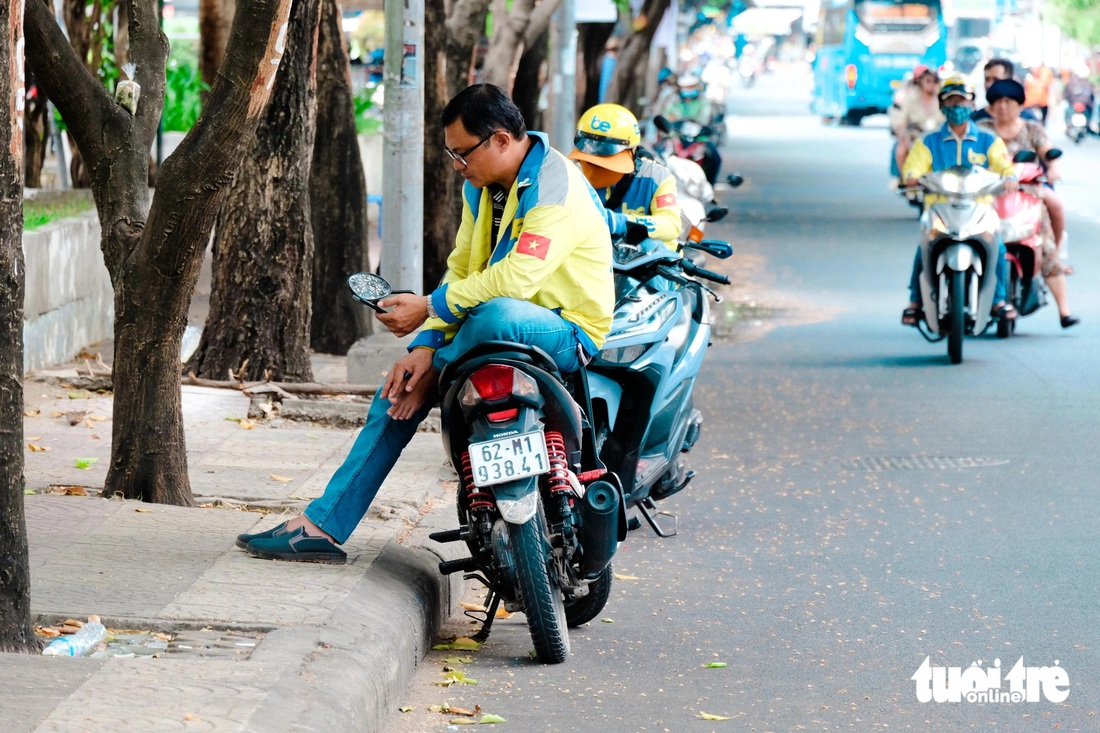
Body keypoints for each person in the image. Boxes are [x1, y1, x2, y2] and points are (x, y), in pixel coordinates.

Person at [236, 84, 615, 563]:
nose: (458, 165)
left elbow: (518, 278)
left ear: (500, 140)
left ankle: (436, 369)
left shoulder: (556, 184)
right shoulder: (481, 190)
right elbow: (463, 269)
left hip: (563, 332)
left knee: (494, 316)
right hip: (486, 327)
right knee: (398, 389)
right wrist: (425, 347)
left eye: (463, 154)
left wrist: (432, 328)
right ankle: (321, 524)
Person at [901, 76, 1018, 327]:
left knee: (997, 246)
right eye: (951, 101)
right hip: (939, 209)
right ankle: (914, 302)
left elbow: (1004, 165)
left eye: (962, 101)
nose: (957, 106)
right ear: (942, 105)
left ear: (972, 103)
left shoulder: (988, 140)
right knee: (925, 246)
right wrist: (912, 178)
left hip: (979, 208)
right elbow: (913, 169)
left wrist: (1010, 177)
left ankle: (998, 300)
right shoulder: (928, 141)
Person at [977, 78, 1079, 329]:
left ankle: (1064, 310)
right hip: (988, 195)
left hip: (1028, 194)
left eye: (1008, 101)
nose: (1002, 107)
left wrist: (1053, 169)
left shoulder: (1032, 130)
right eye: (997, 101)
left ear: (1019, 105)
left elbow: (1048, 153)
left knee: (1045, 242)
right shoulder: (981, 130)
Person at [568, 103, 682, 251]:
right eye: (589, 158)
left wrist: (620, 221)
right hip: (593, 259)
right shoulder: (572, 175)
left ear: (633, 151)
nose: (595, 165)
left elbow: (671, 224)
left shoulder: (657, 176)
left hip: (649, 265)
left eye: (606, 156)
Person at [660, 74, 723, 184]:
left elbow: (707, 120)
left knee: (714, 157)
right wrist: (673, 137)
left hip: (699, 139)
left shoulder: (705, 102)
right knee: (658, 157)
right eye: (685, 87)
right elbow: (667, 118)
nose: (688, 89)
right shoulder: (674, 102)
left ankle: (709, 187)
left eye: (691, 86)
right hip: (677, 138)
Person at [889, 65, 944, 179]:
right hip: (915, 136)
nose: (931, 84)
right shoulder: (910, 97)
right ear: (920, 82)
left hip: (938, 136)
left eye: (934, 81)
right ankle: (905, 180)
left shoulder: (943, 98)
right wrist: (902, 130)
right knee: (901, 149)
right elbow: (900, 117)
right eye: (928, 81)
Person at [972, 59, 1041, 124]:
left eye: (996, 80)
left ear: (1009, 81)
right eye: (987, 79)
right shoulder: (977, 119)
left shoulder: (1028, 120)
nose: (989, 85)